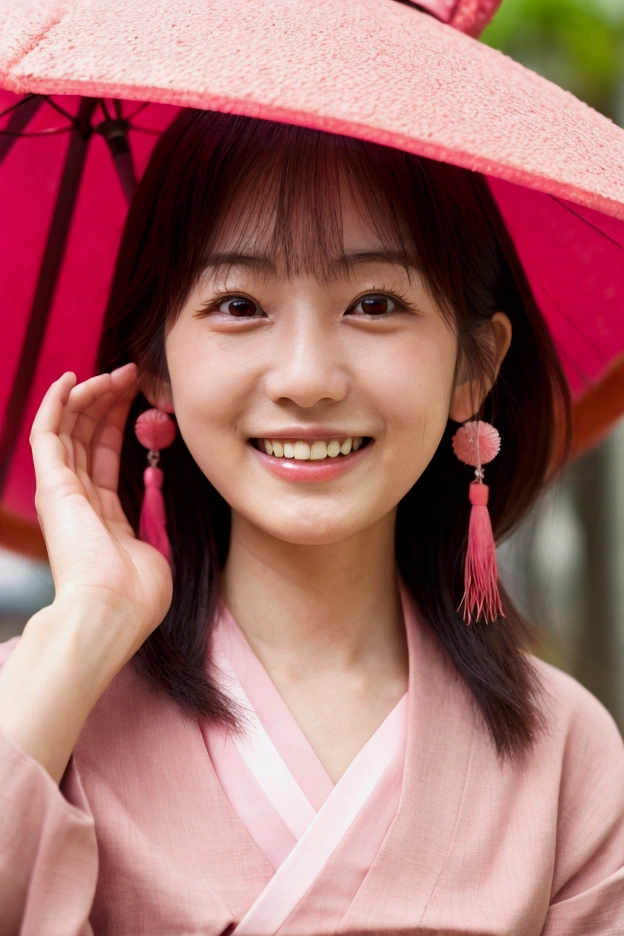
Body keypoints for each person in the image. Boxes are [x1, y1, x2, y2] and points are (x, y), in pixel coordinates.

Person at [0, 108, 623, 936]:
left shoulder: (567, 754)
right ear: (155, 365)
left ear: (474, 366)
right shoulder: (45, 706)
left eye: (374, 302)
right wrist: (84, 628)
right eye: (236, 303)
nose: (305, 379)